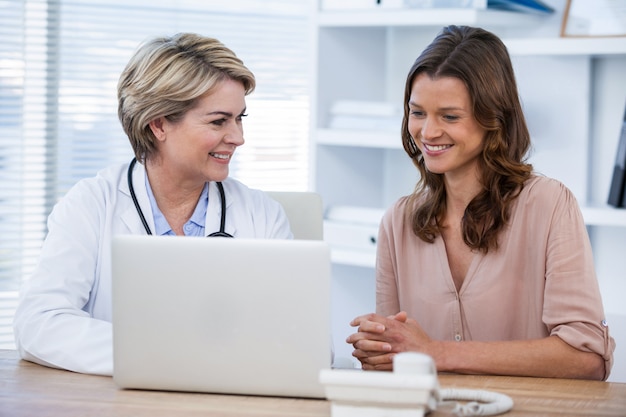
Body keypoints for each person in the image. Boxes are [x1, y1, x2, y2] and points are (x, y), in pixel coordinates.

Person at [13, 33, 293, 376]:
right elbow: (39, 325)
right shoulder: (91, 205)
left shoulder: (261, 215)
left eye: (240, 118)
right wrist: (177, 354)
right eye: (219, 121)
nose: (238, 137)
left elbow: (305, 343)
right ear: (158, 124)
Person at [346, 25, 615, 381]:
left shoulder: (549, 205)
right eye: (418, 112)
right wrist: (379, 351)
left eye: (450, 116)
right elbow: (396, 357)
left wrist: (437, 352)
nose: (427, 132)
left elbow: (587, 358)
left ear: (494, 118)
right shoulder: (399, 221)